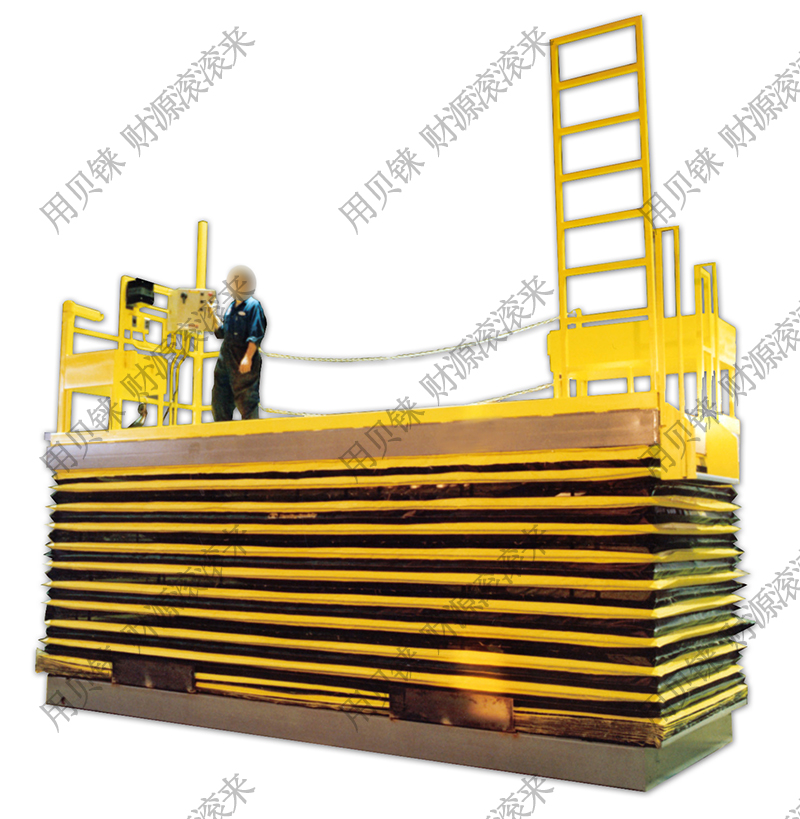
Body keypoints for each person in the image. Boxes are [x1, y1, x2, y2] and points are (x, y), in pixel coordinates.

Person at [206, 265, 267, 421]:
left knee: (247, 403)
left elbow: (255, 334)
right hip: (226, 363)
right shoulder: (231, 308)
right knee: (220, 402)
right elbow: (222, 332)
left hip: (243, 364)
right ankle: (222, 433)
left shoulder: (253, 306)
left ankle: (251, 434)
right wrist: (212, 314)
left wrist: (248, 357)